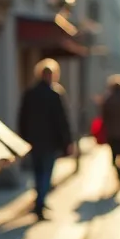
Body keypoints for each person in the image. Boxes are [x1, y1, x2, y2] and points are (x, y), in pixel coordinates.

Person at [17, 59, 73, 220]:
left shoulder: (30, 93)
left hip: (35, 141)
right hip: (49, 142)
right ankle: (40, 203)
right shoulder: (54, 94)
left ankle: (40, 200)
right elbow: (62, 120)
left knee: (38, 173)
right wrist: (67, 142)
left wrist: (24, 137)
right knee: (45, 173)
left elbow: (22, 118)